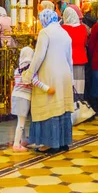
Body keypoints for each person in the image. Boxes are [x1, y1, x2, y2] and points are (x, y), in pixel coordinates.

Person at [24, 10, 74, 154]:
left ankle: (50, 143)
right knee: (62, 108)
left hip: (49, 73)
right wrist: (70, 77)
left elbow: (38, 57)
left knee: (49, 108)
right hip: (64, 73)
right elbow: (70, 58)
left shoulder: (45, 33)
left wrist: (29, 74)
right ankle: (63, 142)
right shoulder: (64, 33)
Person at [11, 47, 55, 152]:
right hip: (23, 98)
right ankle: (16, 145)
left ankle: (23, 141)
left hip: (16, 96)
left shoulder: (17, 70)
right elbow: (35, 82)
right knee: (21, 123)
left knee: (21, 121)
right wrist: (47, 89)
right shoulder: (29, 70)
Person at [62, 7, 89, 95]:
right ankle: (79, 101)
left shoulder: (63, 28)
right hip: (80, 59)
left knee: (67, 85)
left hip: (66, 60)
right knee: (79, 84)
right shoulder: (82, 28)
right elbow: (85, 42)